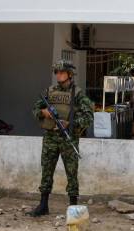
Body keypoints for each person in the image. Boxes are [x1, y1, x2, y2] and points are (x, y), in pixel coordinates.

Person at [28, 59, 94, 216]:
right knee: (47, 170)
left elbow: (88, 117)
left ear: (70, 74)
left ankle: (73, 207)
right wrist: (44, 112)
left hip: (68, 138)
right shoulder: (49, 91)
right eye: (56, 72)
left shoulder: (77, 94)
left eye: (62, 72)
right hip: (50, 137)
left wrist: (69, 124)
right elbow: (35, 109)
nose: (58, 75)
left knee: (71, 173)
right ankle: (43, 205)